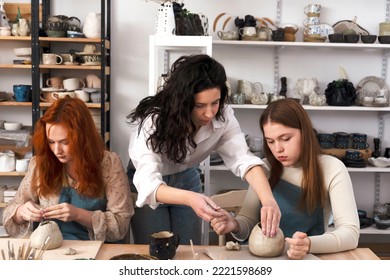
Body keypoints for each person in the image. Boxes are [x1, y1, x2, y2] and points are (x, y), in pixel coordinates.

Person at [127, 54, 281, 245]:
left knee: (189, 248)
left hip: (186, 176)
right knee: (157, 251)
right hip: (148, 180)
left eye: (215, 103)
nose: (209, 113)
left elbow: (244, 159)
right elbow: (148, 183)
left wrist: (268, 201)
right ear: (182, 101)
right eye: (199, 105)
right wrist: (191, 198)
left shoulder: (223, 116)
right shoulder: (154, 120)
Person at [211, 98, 360, 259]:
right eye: (270, 141)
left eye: (286, 138)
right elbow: (248, 220)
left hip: (304, 259)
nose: (278, 149)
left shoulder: (332, 169)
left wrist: (308, 244)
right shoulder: (263, 168)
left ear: (305, 132)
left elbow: (350, 234)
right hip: (261, 261)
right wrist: (235, 225)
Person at [2, 97, 134, 242]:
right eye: (51, 142)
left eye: (65, 142)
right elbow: (9, 211)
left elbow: (120, 225)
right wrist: (21, 212)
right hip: (52, 250)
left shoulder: (109, 163)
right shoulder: (40, 164)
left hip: (96, 250)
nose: (57, 150)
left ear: (83, 138)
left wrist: (79, 215)